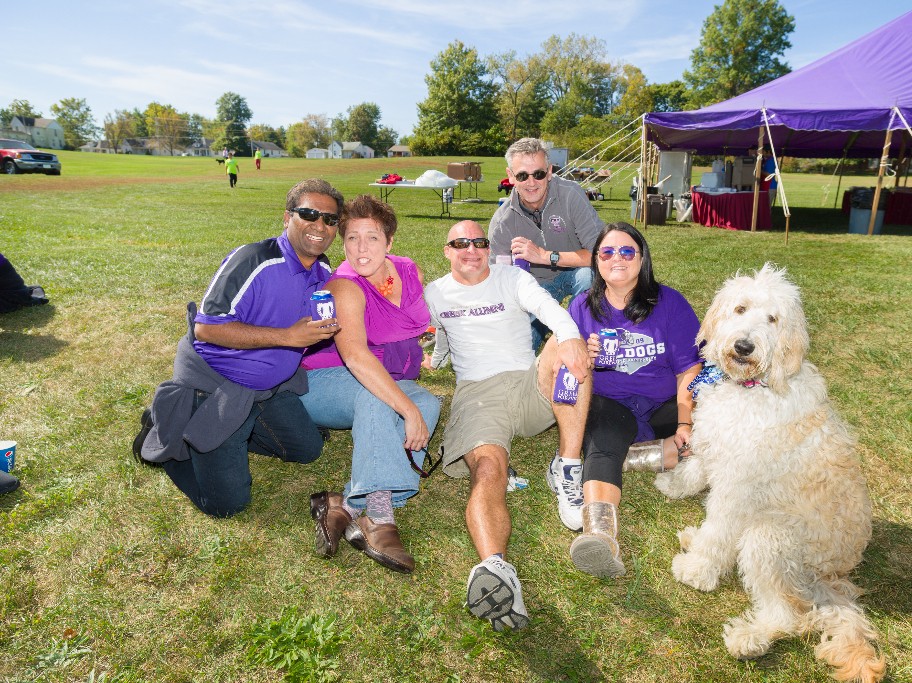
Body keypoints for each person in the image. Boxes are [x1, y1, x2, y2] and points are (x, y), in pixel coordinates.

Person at [133, 178, 343, 517]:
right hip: (218, 385)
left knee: (307, 450)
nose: (320, 225)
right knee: (227, 504)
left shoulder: (323, 269)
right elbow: (206, 329)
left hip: (270, 389)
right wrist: (287, 337)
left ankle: (237, 432)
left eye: (330, 219)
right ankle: (167, 431)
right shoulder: (253, 259)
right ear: (287, 217)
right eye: (309, 214)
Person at [423, 220, 592, 631]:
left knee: (567, 343)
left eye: (479, 242)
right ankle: (496, 569)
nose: (471, 249)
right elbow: (441, 334)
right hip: (478, 395)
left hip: (529, 385)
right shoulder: (435, 293)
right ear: (447, 251)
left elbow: (550, 310)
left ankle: (567, 465)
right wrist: (436, 360)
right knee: (488, 470)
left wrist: (570, 337)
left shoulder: (512, 277)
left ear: (488, 248)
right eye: (460, 243)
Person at [300, 195, 441, 574]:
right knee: (381, 400)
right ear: (343, 242)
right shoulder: (344, 287)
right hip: (321, 382)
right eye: (352, 238)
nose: (362, 248)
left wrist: (414, 397)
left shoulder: (407, 270)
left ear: (389, 241)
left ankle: (345, 504)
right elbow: (356, 359)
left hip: (384, 376)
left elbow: (413, 326)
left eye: (372, 238)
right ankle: (378, 515)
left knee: (429, 404)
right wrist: (406, 410)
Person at [566, 222, 703, 578]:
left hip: (664, 404)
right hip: (611, 405)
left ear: (642, 260)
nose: (618, 258)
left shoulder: (670, 303)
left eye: (627, 251)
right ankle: (601, 537)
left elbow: (689, 368)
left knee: (711, 434)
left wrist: (685, 421)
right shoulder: (581, 307)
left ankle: (622, 458)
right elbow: (565, 371)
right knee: (603, 443)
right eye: (607, 251)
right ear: (596, 261)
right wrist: (584, 360)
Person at [488, 137, 603, 352]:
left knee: (588, 277)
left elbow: (600, 254)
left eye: (539, 174)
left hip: (576, 272)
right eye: (522, 175)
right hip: (533, 288)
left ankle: (581, 338)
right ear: (511, 176)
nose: (531, 182)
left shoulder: (571, 195)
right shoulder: (502, 222)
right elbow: (497, 279)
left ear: (549, 172)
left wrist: (545, 256)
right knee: (519, 351)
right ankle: (544, 327)